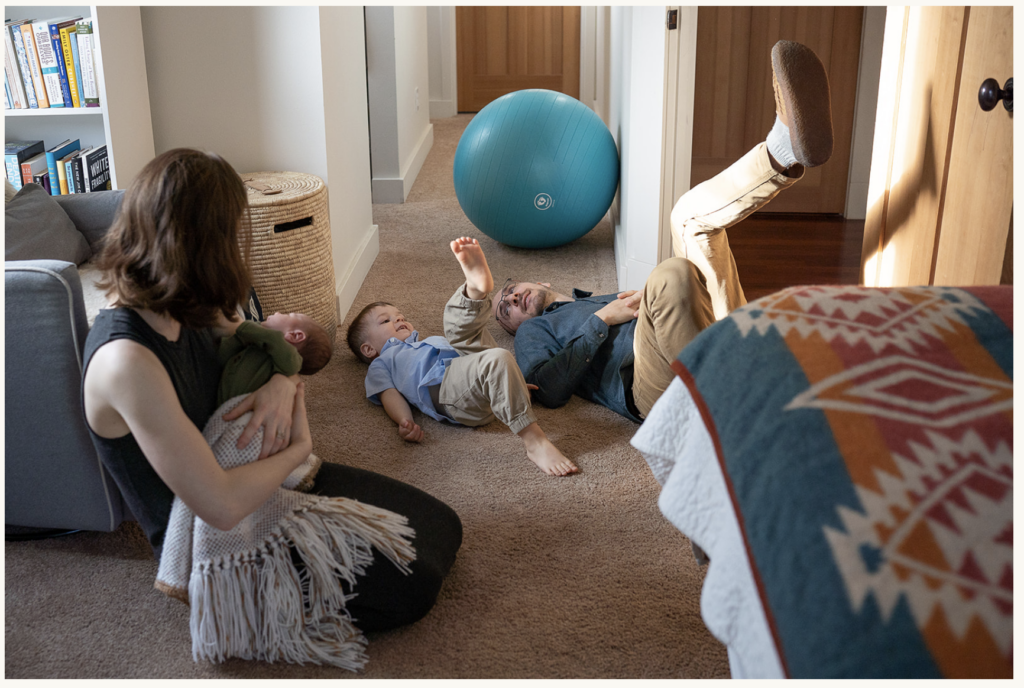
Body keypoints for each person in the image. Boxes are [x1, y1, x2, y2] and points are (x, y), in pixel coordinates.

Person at [82, 148, 462, 635]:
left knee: (439, 525)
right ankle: (245, 608)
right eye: (232, 234)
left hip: (257, 477)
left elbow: (269, 346)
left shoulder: (185, 298)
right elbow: (217, 505)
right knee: (413, 582)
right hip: (212, 534)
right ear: (200, 243)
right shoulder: (126, 360)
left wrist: (284, 382)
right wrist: (299, 448)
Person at [493, 40, 833, 421]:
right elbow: (549, 391)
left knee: (687, 220)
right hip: (648, 385)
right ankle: (736, 404)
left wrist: (655, 303)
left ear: (537, 280)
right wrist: (603, 319)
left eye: (509, 291)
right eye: (504, 311)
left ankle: (782, 151)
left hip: (705, 346)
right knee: (670, 273)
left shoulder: (592, 296)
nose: (510, 301)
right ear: (514, 329)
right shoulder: (534, 332)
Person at [347, 237, 578, 477]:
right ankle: (535, 442)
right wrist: (404, 421)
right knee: (494, 355)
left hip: (468, 378)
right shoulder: (383, 362)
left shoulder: (425, 342)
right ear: (368, 350)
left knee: (466, 337)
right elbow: (389, 395)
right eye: (386, 321)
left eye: (401, 316)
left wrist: (513, 383)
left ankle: (475, 290)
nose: (399, 320)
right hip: (448, 393)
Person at [217, 310, 333, 406]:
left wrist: (241, 325)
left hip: (237, 410)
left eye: (288, 315)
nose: (278, 312)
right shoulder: (266, 348)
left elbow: (274, 338)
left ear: (294, 335)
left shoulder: (291, 361)